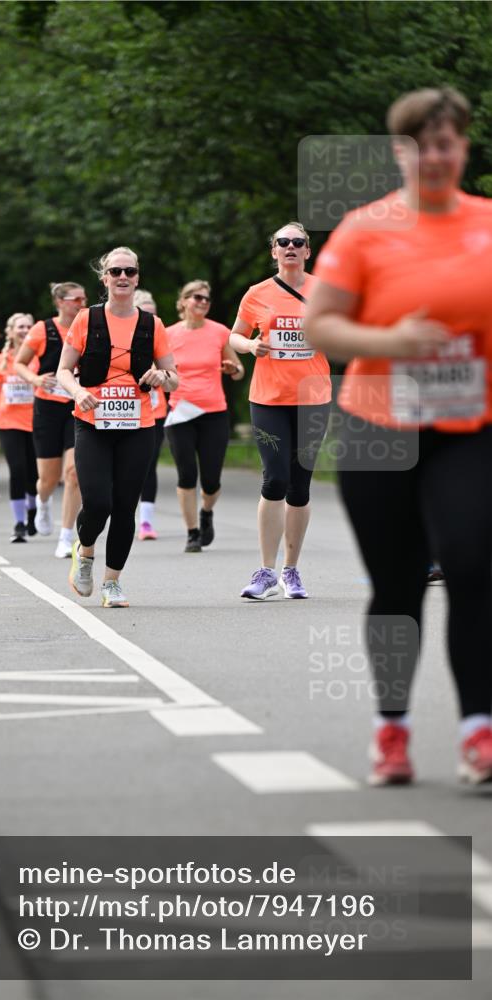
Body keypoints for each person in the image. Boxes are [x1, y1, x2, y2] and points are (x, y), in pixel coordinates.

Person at [304, 86, 492, 785]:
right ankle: (392, 728)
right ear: (399, 152)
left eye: (446, 143)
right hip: (379, 427)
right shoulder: (364, 229)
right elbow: (319, 324)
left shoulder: (486, 223)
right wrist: (392, 339)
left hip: (470, 427)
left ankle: (479, 731)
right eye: (418, 146)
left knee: (473, 565)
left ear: (462, 148)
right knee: (395, 585)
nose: (434, 158)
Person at [57, 247, 177, 607]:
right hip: (93, 421)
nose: (122, 277)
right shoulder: (85, 319)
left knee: (125, 505)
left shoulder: (152, 324)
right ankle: (86, 551)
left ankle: (112, 583)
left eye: (129, 271)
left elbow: (174, 378)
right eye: (115, 271)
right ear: (104, 278)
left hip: (138, 423)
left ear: (137, 277)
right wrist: (78, 392)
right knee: (98, 502)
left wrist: (161, 375)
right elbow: (63, 371)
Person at [229, 223, 332, 598]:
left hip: (312, 399)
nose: (290, 247)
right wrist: (249, 345)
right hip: (269, 399)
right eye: (283, 242)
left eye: (298, 242)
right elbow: (234, 335)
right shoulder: (257, 294)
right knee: (274, 479)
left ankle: (291, 571)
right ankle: (265, 572)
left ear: (308, 250)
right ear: (273, 251)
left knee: (299, 485)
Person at [165, 280, 243, 552]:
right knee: (187, 474)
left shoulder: (219, 332)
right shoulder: (167, 334)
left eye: (206, 299)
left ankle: (206, 512)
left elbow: (239, 371)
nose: (202, 302)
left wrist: (233, 368)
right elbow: (159, 371)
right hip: (180, 411)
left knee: (211, 480)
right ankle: (191, 533)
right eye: (197, 298)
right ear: (184, 301)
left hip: (213, 413)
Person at [15, 282, 85, 558]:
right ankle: (42, 503)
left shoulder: (88, 326)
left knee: (74, 474)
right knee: (47, 478)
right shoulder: (42, 329)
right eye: (75, 298)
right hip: (47, 407)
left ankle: (66, 536)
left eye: (84, 298)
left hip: (77, 406)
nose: (81, 302)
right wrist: (35, 379)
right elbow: (20, 363)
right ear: (60, 302)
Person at [0, 313, 39, 542]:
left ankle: (33, 511)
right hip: (8, 421)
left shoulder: (39, 356)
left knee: (34, 474)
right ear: (11, 331)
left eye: (28, 326)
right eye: (20, 327)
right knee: (17, 470)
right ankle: (19, 523)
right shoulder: (1, 359)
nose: (24, 330)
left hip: (36, 421)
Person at [133, 289, 167, 540]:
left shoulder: (161, 336)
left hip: (156, 411)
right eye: (146, 313)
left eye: (153, 314)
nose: (151, 319)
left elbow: (174, 369)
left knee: (149, 464)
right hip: (124, 411)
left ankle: (145, 522)